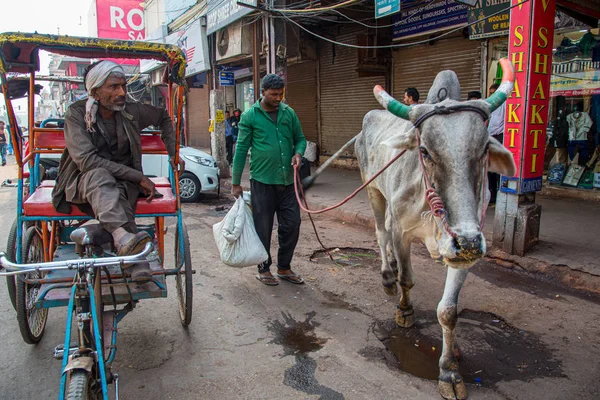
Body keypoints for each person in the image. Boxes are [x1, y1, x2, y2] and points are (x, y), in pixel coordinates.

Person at [52, 60, 183, 281]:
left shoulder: (131, 110)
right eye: (113, 87)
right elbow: (87, 161)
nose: (122, 92)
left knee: (118, 191)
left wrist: (173, 153)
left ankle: (108, 234)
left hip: (123, 187)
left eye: (123, 86)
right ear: (95, 91)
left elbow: (163, 117)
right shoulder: (76, 114)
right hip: (83, 183)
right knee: (101, 176)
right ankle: (126, 246)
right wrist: (138, 176)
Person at [231, 74, 307, 286]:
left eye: (281, 94)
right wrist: (235, 182)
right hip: (263, 182)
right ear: (263, 92)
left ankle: (284, 267)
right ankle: (264, 268)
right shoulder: (249, 116)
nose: (278, 98)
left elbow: (300, 139)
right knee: (262, 228)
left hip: (288, 181)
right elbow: (241, 150)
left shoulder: (288, 113)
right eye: (274, 94)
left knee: (292, 224)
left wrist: (299, 154)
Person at [487, 83, 505, 204]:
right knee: (489, 168)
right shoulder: (488, 106)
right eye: (490, 93)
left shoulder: (504, 105)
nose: (492, 96)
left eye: (494, 93)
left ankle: (500, 193)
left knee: (498, 168)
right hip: (489, 137)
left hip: (500, 137)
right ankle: (492, 194)